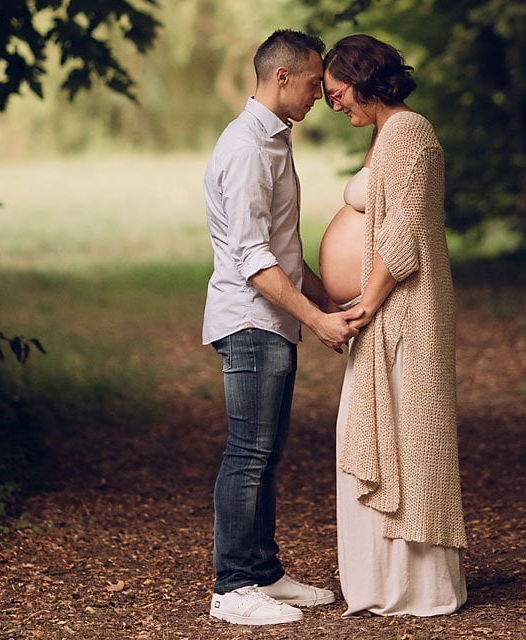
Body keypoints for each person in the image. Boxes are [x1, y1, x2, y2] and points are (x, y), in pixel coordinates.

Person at [202, 29, 360, 626]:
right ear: (284, 77)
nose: (322, 94)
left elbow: (285, 250)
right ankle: (232, 588)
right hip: (250, 320)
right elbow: (251, 259)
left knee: (266, 454)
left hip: (273, 318)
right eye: (317, 83)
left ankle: (264, 572)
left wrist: (335, 301)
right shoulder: (246, 148)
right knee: (247, 453)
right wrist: (317, 319)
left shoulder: (274, 140)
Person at [319, 34, 469, 617]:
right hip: (383, 316)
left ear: (363, 78)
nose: (334, 105)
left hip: (402, 315)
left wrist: (365, 305)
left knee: (409, 439)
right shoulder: (387, 134)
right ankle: (383, 582)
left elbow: (404, 232)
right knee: (378, 436)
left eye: (337, 93)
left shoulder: (410, 132)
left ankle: (414, 586)